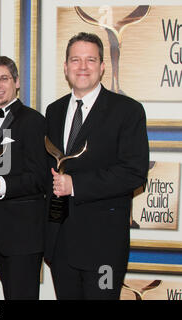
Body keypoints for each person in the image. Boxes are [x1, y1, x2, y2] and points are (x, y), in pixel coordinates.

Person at [44, 32, 149, 299]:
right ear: (65, 67)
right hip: (61, 243)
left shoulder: (127, 111)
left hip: (104, 246)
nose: (82, 66)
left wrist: (75, 184)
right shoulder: (53, 111)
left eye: (90, 60)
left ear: (103, 67)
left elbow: (134, 172)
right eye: (75, 60)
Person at [0, 56, 47, 299]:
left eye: (3, 79)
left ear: (16, 82)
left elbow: (40, 177)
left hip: (24, 234)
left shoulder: (33, 121)